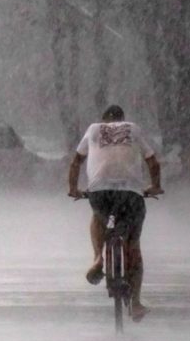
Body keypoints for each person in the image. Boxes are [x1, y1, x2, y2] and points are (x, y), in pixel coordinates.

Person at [67, 105, 163, 322]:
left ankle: (98, 258)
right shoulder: (134, 129)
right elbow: (152, 161)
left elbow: (76, 161)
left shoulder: (93, 129)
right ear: (122, 119)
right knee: (134, 246)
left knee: (98, 216)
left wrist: (73, 188)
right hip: (130, 194)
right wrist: (155, 186)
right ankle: (136, 304)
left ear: (104, 120)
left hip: (100, 191)